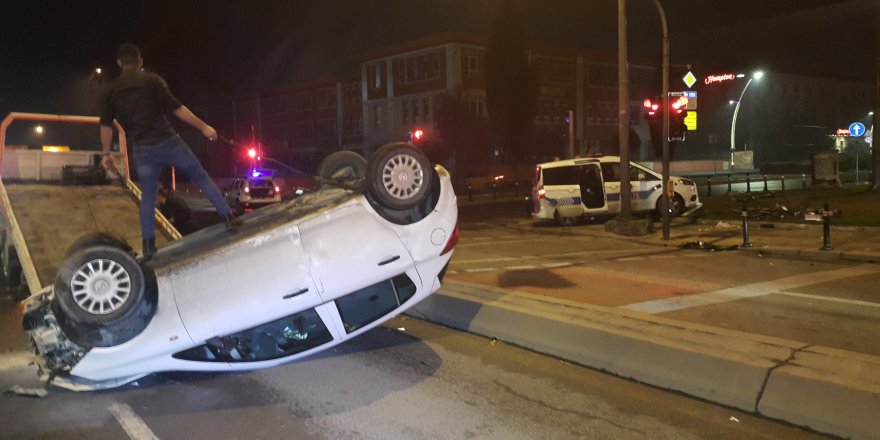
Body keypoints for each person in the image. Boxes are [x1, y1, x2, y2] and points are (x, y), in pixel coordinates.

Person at [99, 43, 238, 260]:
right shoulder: (152, 80)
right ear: (140, 61)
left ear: (119, 63)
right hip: (168, 141)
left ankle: (148, 245)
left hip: (142, 149)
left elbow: (106, 124)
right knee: (200, 176)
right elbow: (177, 108)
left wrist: (106, 153)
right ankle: (228, 217)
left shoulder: (111, 90)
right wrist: (204, 127)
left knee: (148, 196)